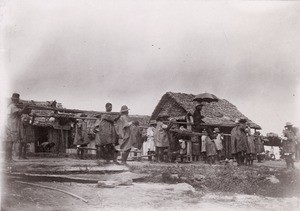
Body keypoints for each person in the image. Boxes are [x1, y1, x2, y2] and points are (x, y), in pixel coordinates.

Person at [4, 93, 30, 162]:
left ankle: (8, 158)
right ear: (16, 100)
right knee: (10, 142)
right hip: (11, 126)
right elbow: (19, 113)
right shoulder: (12, 106)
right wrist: (25, 107)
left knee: (10, 142)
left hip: (10, 126)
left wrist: (24, 108)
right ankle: (8, 159)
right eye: (17, 99)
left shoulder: (12, 106)